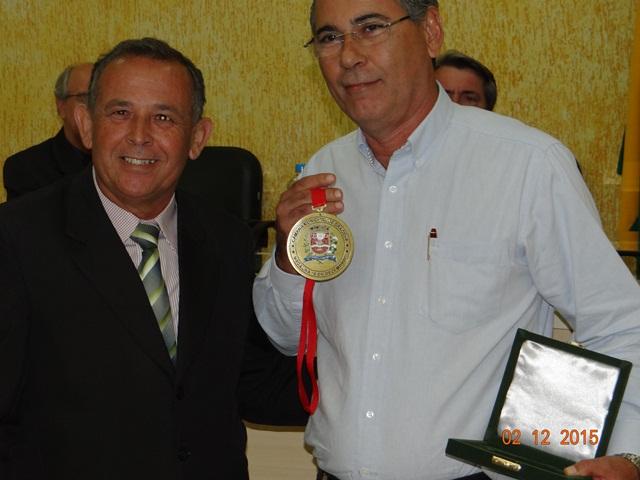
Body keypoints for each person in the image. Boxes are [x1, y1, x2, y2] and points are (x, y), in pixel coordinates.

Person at [253, 1, 640, 479]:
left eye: (370, 28)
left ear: (430, 31)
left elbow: (621, 324)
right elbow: (286, 338)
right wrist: (288, 261)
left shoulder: (527, 165)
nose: (349, 56)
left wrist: (628, 453)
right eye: (329, 38)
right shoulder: (321, 173)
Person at [0, 38, 305, 480]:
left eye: (164, 117)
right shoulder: (17, 240)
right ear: (86, 126)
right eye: (120, 113)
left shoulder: (227, 240)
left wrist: (366, 385)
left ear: (197, 138)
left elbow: (246, 382)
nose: (140, 135)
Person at [3, 63, 93, 200]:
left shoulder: (121, 159)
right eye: (86, 98)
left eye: (103, 99)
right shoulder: (26, 168)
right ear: (61, 106)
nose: (96, 107)